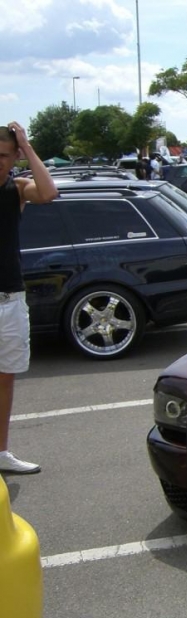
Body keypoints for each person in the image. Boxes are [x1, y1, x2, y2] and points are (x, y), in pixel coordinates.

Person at [0, 121, 58, 474]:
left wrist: (28, 146)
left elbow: (49, 192)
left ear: (15, 157)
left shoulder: (17, 189)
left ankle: (1, 452)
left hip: (9, 300)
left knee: (5, 378)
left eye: (4, 155)